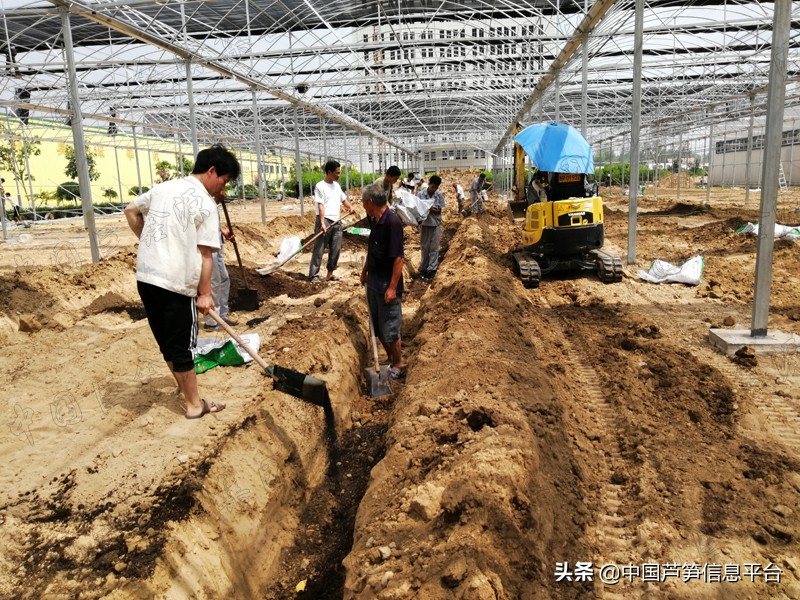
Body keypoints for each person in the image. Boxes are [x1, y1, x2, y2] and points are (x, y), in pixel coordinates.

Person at [124, 144, 240, 420]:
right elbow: (206, 254)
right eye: (223, 181)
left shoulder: (164, 188)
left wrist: (152, 245)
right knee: (184, 345)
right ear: (212, 171)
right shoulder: (205, 203)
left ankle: (186, 391)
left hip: (147, 276)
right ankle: (194, 405)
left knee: (167, 341)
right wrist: (205, 294)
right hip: (176, 283)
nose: (221, 188)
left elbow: (131, 211)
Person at [360, 183, 406, 380]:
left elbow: (398, 258)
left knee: (390, 328)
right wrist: (365, 272)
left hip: (387, 286)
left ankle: (398, 363)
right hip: (374, 283)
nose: (362, 205)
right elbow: (372, 251)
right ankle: (389, 358)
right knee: (379, 327)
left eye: (363, 202)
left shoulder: (392, 223)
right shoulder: (375, 221)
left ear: (370, 202)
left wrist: (392, 288)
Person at [308, 160, 356, 282]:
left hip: (337, 221)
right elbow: (320, 205)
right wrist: (322, 222)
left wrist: (350, 207)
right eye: (337, 173)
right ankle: (314, 275)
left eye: (340, 172)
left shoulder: (337, 186)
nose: (339, 175)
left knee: (336, 249)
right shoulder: (320, 186)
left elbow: (343, 199)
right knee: (319, 249)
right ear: (329, 172)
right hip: (324, 220)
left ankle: (330, 274)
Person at [203, 196, 238, 331]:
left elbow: (213, 222)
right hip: (208, 245)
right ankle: (211, 321)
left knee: (224, 279)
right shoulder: (203, 198)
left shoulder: (212, 199)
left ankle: (222, 316)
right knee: (214, 282)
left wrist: (222, 231)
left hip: (218, 243)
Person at [417, 175, 445, 279]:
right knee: (425, 247)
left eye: (436, 187)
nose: (434, 189)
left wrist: (430, 209)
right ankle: (423, 268)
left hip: (435, 224)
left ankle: (432, 269)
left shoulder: (439, 195)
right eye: (433, 187)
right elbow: (417, 208)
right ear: (429, 184)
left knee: (434, 248)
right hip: (424, 224)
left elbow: (439, 210)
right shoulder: (420, 194)